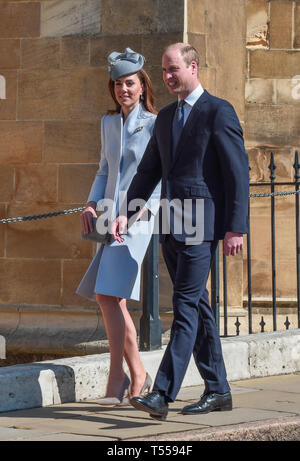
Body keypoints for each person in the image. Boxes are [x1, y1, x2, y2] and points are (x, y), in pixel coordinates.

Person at [111, 43, 249, 420]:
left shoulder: (219, 111)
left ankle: (162, 393)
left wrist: (236, 227)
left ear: (193, 67)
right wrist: (127, 213)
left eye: (174, 69)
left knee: (184, 308)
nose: (168, 77)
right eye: (164, 71)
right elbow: (148, 171)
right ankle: (219, 389)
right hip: (172, 223)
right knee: (199, 308)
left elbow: (237, 171)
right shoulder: (167, 116)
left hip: (203, 224)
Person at [76, 48, 161, 405]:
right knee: (111, 298)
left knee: (107, 295)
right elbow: (104, 170)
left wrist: (134, 214)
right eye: (118, 84)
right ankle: (132, 373)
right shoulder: (108, 123)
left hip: (137, 219)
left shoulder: (156, 123)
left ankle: (121, 377)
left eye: (130, 83)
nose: (123, 89)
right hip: (109, 218)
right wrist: (92, 203)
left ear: (142, 86)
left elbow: (156, 176)